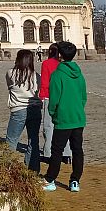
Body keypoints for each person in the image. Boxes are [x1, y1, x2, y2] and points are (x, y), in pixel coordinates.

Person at [42, 41, 87, 193]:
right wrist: (78, 109)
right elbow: (83, 96)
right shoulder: (79, 74)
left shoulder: (57, 75)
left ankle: (50, 179)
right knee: (77, 150)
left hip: (63, 119)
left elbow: (54, 98)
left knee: (57, 150)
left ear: (59, 55)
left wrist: (53, 113)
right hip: (78, 117)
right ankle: (75, 180)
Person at [6, 49, 42, 172]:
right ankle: (33, 169)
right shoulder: (37, 76)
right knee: (33, 140)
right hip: (35, 109)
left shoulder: (11, 73)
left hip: (18, 109)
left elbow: (9, 87)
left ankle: (8, 168)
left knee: (11, 139)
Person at [40, 43, 71, 161]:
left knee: (49, 126)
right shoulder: (64, 64)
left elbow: (45, 81)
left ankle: (48, 153)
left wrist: (42, 96)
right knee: (64, 125)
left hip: (50, 97)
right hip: (64, 98)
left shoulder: (46, 64)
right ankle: (66, 153)